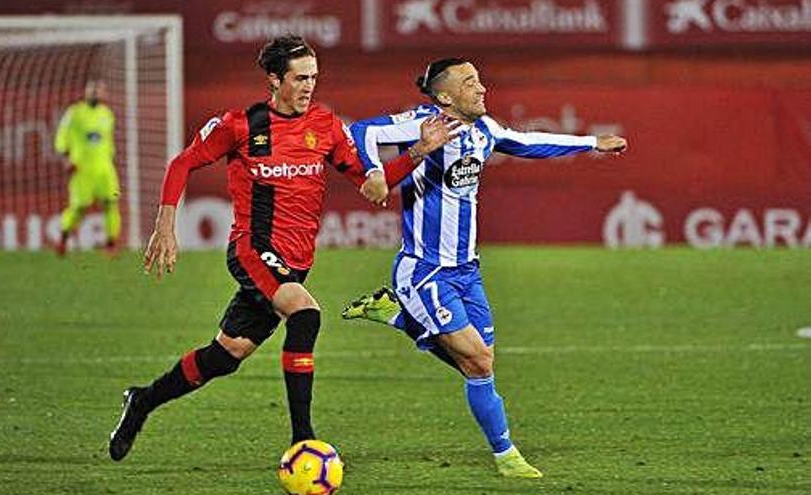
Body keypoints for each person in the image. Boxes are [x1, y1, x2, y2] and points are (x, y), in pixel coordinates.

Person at [107, 36, 458, 462]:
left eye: (314, 77)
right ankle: (303, 441)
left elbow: (373, 186)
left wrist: (419, 150)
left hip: (296, 262)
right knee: (306, 313)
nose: (309, 86)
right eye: (300, 77)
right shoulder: (241, 125)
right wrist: (165, 225)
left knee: (226, 355)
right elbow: (182, 163)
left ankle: (142, 400)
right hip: (254, 249)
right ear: (274, 79)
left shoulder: (326, 126)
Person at [341, 58, 627, 478]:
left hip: (467, 271)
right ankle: (507, 456)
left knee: (482, 361)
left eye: (479, 80)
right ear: (444, 96)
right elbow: (362, 131)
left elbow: (527, 142)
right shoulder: (423, 122)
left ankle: (397, 316)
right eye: (470, 82)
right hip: (425, 270)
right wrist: (375, 171)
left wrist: (590, 144)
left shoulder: (484, 130)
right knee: (477, 361)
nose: (481, 88)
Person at [54, 80, 120, 256]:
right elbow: (61, 136)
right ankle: (63, 237)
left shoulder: (107, 114)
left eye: (99, 89)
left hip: (104, 168)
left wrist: (111, 155)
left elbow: (108, 140)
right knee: (79, 207)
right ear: (86, 92)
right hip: (81, 168)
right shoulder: (74, 113)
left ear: (104, 93)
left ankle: (111, 244)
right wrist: (65, 158)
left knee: (111, 203)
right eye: (92, 89)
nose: (95, 92)